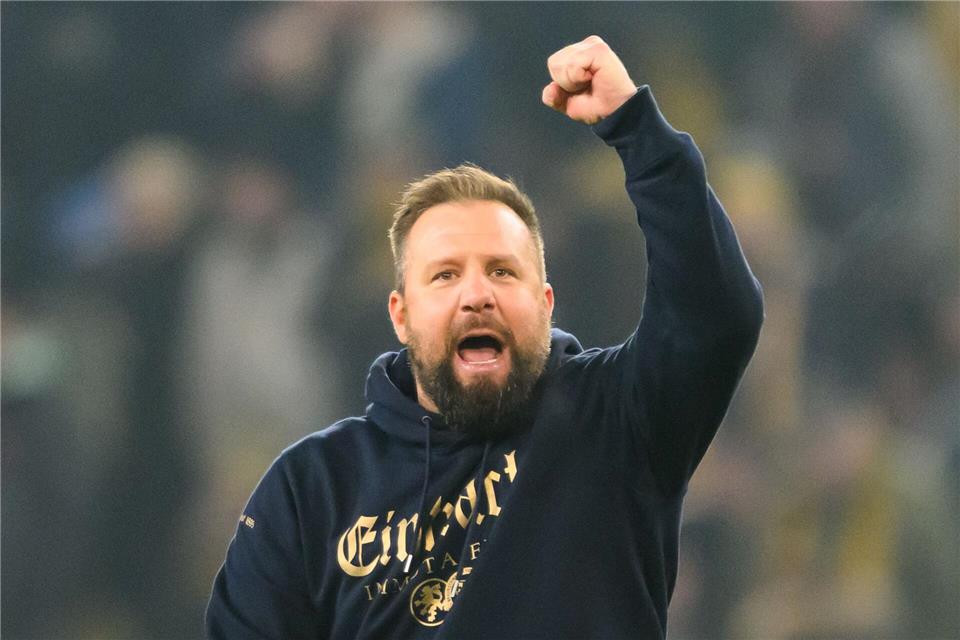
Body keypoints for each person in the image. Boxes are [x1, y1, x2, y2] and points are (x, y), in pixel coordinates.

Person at [206, 35, 763, 639]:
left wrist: (638, 132)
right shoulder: (310, 489)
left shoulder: (617, 419)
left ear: (546, 304)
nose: (477, 294)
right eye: (445, 276)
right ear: (401, 315)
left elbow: (715, 315)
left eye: (503, 270)